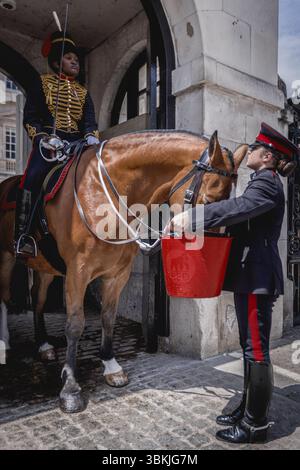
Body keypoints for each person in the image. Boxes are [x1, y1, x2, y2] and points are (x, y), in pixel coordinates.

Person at [171, 123, 298, 444]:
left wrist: (194, 218)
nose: (249, 151)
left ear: (267, 156)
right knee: (249, 348)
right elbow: (239, 219)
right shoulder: (261, 182)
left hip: (257, 278)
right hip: (250, 276)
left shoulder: (267, 184)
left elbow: (237, 208)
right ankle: (245, 408)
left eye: (254, 148)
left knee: (257, 350)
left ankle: (254, 425)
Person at [15, 31, 100, 258]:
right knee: (32, 177)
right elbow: (31, 119)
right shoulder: (42, 84)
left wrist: (92, 136)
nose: (75, 62)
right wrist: (43, 138)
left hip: (78, 144)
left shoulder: (83, 92)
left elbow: (89, 122)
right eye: (69, 57)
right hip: (50, 143)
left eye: (76, 59)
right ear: (56, 62)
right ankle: (23, 235)